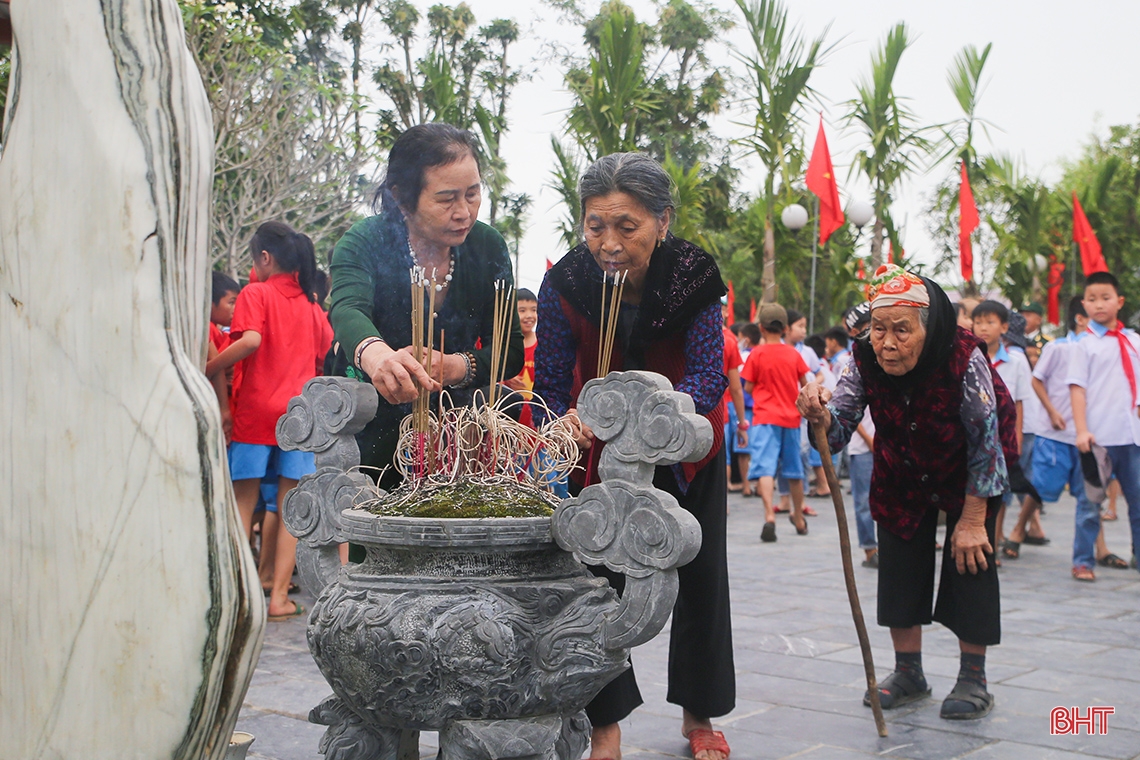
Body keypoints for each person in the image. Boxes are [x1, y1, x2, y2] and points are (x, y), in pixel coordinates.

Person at [534, 152, 734, 760]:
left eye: (627, 226)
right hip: (593, 454)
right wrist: (564, 420)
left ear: (662, 220)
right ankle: (605, 726)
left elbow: (707, 375)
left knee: (700, 578)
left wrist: (645, 418)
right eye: (596, 225)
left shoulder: (693, 275)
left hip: (685, 447)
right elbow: (547, 383)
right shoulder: (565, 281)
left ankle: (698, 716)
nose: (609, 242)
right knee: (593, 583)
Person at [798, 264, 1018, 721]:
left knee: (970, 562)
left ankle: (973, 677)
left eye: (902, 329)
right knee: (899, 564)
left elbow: (985, 437)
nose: (888, 342)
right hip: (900, 472)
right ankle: (909, 672)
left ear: (928, 325)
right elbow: (839, 427)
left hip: (967, 475)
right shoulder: (863, 357)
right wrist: (819, 416)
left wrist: (974, 519)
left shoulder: (962, 355)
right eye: (878, 329)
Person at [326, 123, 524, 491]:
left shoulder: (488, 247)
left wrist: (455, 366)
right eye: (447, 199)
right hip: (371, 428)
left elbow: (509, 350)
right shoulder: (366, 241)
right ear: (402, 197)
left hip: (457, 439)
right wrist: (379, 358)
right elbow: (347, 309)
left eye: (473, 194)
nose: (464, 212)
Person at [206, 221, 333, 621]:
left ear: (264, 258)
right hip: (299, 417)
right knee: (289, 506)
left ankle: (236, 598)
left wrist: (207, 367)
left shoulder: (256, 293)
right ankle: (278, 597)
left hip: (257, 411)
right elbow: (325, 354)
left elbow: (250, 341)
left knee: (243, 502)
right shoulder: (312, 307)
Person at [1068, 271, 1140, 574]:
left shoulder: (1134, 341)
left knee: (1137, 502)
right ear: (1084, 303)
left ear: (1119, 301)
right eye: (1092, 299)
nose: (1099, 304)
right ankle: (1083, 561)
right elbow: (1077, 389)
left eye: (1105, 298)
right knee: (1089, 504)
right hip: (1097, 437)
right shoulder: (1083, 344)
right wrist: (1082, 429)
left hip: (1131, 435)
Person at [742, 303, 810, 541]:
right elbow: (805, 383)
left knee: (765, 468)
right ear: (784, 329)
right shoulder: (793, 353)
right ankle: (799, 517)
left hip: (764, 418)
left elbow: (748, 387)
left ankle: (770, 515)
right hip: (791, 419)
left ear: (761, 328)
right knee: (794, 471)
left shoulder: (757, 354)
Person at [972, 300, 1033, 555]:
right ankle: (986, 541)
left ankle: (995, 541)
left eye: (990, 322)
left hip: (1003, 436)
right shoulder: (969, 356)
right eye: (978, 322)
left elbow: (1018, 405)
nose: (983, 328)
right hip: (976, 437)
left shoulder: (1016, 362)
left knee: (1002, 492)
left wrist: (1015, 439)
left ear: (1004, 326)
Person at [504, 288, 539, 428]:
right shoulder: (504, 345)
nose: (529, 315)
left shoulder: (544, 345)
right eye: (522, 310)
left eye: (534, 310)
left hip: (536, 422)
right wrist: (505, 379)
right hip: (508, 422)